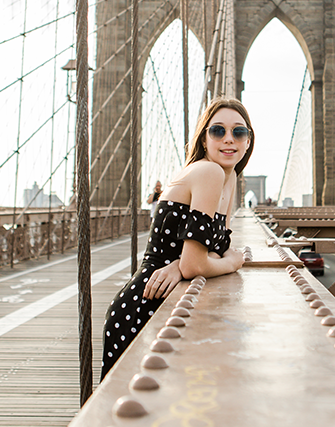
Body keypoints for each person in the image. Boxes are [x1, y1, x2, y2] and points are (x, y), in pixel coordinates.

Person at [100, 97, 254, 378]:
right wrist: (231, 263)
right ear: (204, 140)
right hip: (143, 307)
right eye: (218, 131)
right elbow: (198, 265)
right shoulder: (209, 172)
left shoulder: (229, 178)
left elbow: (213, 250)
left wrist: (180, 264)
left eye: (238, 132)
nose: (229, 139)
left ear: (248, 141)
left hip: (166, 303)